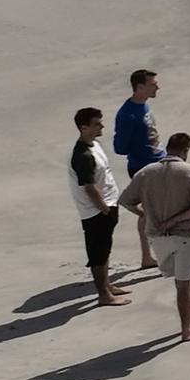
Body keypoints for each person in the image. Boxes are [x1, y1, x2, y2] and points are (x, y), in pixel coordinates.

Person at [126, 131, 190, 343]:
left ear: (167, 148)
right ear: (186, 150)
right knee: (183, 284)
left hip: (158, 238)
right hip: (186, 235)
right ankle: (187, 330)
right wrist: (176, 219)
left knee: (180, 280)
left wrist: (146, 215)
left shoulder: (146, 172)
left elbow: (126, 201)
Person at [66, 107, 129, 306]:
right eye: (97, 123)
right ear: (84, 127)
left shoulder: (94, 144)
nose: (102, 126)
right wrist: (103, 208)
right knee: (98, 254)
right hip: (95, 211)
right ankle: (104, 295)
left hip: (108, 204)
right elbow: (89, 187)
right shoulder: (82, 155)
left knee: (105, 248)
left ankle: (107, 286)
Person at [111, 70, 165, 274]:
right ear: (140, 87)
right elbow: (120, 147)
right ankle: (148, 255)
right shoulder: (128, 114)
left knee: (160, 209)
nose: (157, 87)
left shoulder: (144, 106)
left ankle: (153, 253)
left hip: (157, 162)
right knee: (150, 212)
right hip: (143, 167)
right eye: (152, 84)